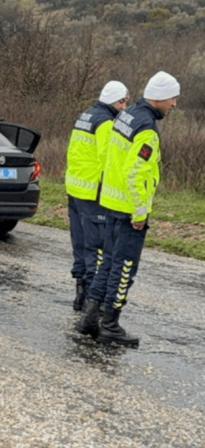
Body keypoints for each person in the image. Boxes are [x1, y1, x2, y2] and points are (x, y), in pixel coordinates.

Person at [76, 71, 180, 347]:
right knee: (124, 269)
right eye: (172, 98)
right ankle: (110, 324)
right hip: (127, 208)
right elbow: (135, 174)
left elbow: (111, 157)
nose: (174, 104)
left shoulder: (127, 115)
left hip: (110, 201)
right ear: (159, 98)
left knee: (107, 263)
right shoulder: (146, 127)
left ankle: (89, 319)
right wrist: (140, 212)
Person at [67, 81, 130, 311]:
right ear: (111, 101)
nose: (124, 107)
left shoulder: (85, 116)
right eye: (121, 102)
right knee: (97, 247)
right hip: (93, 192)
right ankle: (94, 300)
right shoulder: (105, 122)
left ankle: (80, 294)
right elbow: (109, 158)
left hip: (75, 188)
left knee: (80, 243)